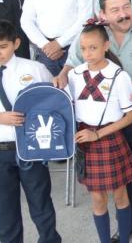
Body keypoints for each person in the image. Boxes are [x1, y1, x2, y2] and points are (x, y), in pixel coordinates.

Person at [60, 0, 132, 243]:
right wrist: (63, 75)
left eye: (126, 7)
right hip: (105, 121)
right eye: (115, 10)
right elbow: (73, 62)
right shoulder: (93, 35)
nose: (123, 14)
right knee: (121, 178)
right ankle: (129, 222)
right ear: (103, 13)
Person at [68, 19, 132, 243]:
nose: (87, 53)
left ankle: (124, 239)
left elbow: (131, 116)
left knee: (119, 194)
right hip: (84, 139)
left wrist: (98, 134)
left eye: (93, 47)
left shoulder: (119, 76)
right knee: (97, 198)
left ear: (106, 45)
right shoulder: (74, 75)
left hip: (109, 139)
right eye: (83, 48)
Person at [0, 20, 62, 243]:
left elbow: (54, 101)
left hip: (31, 148)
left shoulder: (34, 69)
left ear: (16, 43)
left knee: (41, 203)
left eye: (2, 47)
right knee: (5, 212)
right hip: (1, 150)